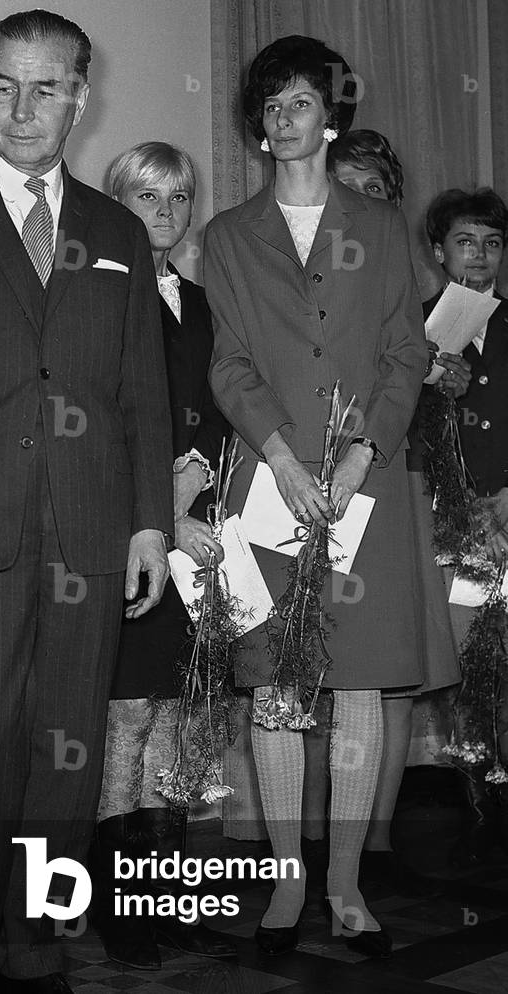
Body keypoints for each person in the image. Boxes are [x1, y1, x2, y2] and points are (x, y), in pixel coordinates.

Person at [0, 12, 175, 993]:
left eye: (46, 88)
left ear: (80, 99)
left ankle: (40, 942)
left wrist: (147, 522)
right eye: (4, 84)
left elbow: (142, 390)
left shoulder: (120, 232)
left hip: (92, 530)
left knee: (68, 751)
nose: (22, 107)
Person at [204, 36, 428, 958]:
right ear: (257, 128)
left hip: (363, 486)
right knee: (280, 690)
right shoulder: (226, 235)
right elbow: (230, 362)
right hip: (270, 483)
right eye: (270, 106)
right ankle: (287, 892)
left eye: (300, 101)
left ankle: (344, 889)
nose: (284, 118)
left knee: (360, 687)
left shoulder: (377, 229)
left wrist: (358, 451)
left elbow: (404, 352)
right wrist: (288, 461)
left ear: (327, 117)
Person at [307, 131, 466, 897]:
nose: (357, 204)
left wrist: (439, 375)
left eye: (372, 191)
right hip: (311, 479)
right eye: (344, 187)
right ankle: (306, 846)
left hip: (393, 477)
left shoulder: (403, 266)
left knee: (390, 679)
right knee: (309, 673)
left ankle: (372, 844)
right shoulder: (300, 264)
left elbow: (410, 366)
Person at [89, 142, 235, 969]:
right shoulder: (94, 298)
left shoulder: (207, 303)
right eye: (146, 196)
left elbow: (225, 407)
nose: (166, 211)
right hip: (134, 542)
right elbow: (98, 427)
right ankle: (117, 908)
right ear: (116, 204)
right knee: (126, 722)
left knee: (183, 723)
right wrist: (161, 513)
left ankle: (172, 900)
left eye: (180, 196)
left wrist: (206, 492)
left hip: (204, 541)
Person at [422, 187, 508, 864]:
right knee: (467, 669)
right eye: (463, 242)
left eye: (490, 243)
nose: (477, 257)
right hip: (447, 532)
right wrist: (432, 396)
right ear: (436, 251)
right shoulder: (412, 332)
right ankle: (481, 806)